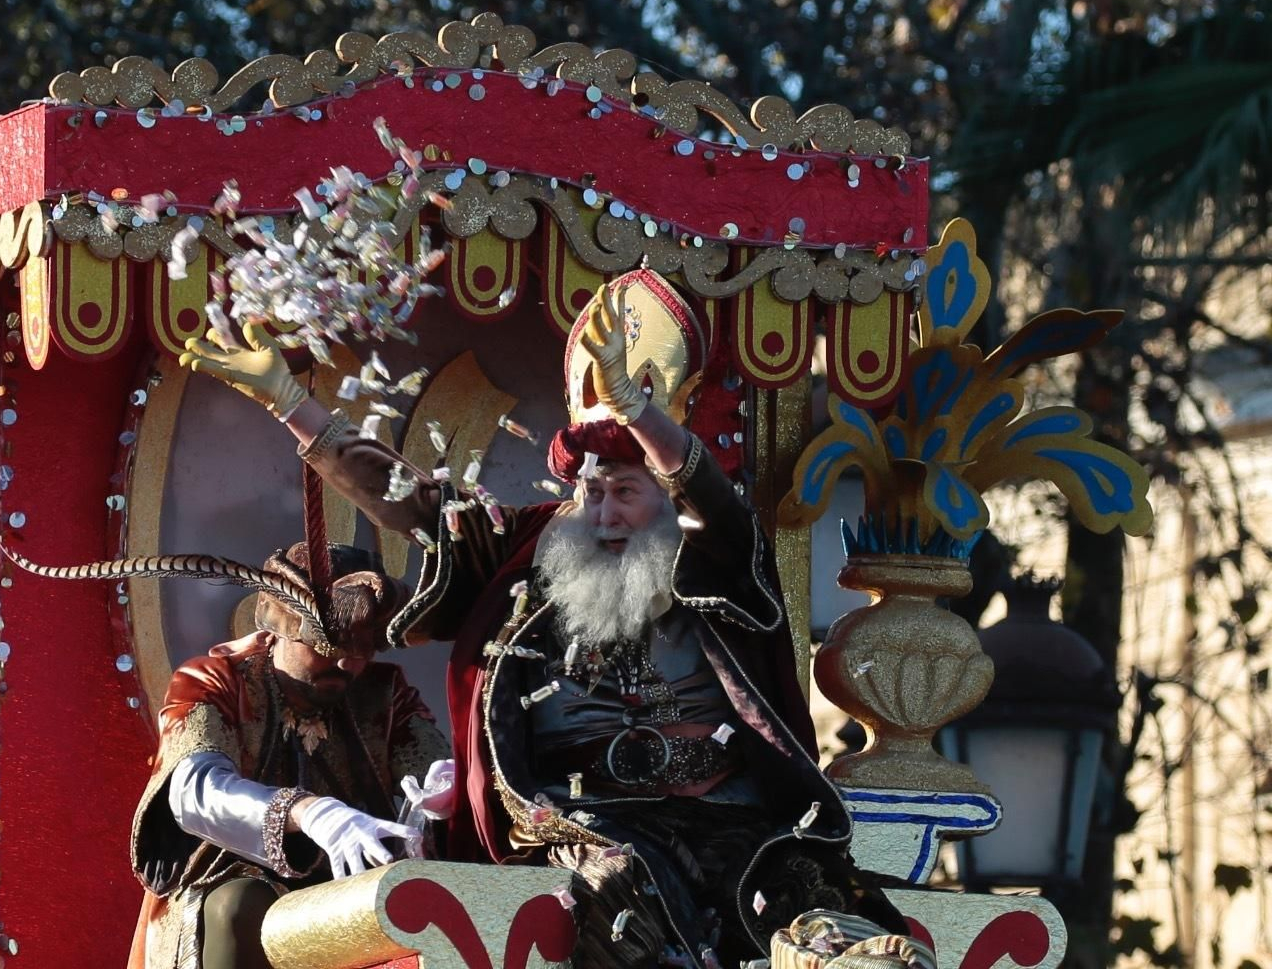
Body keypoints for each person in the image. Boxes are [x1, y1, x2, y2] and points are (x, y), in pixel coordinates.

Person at [180, 272, 914, 966]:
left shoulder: (714, 556)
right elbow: (409, 498)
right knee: (628, 906)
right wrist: (291, 403)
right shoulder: (526, 548)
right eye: (591, 491)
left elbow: (717, 504)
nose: (605, 512)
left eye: (626, 490)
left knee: (810, 900)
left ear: (666, 489)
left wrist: (640, 414)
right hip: (582, 824)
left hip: (730, 812)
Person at [128, 542, 454, 969]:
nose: (346, 667)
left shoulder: (382, 691)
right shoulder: (215, 680)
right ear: (282, 626)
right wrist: (309, 813)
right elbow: (194, 793)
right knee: (240, 906)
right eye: (327, 649)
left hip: (348, 887)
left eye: (361, 653)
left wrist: (446, 787)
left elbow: (428, 762)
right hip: (228, 883)